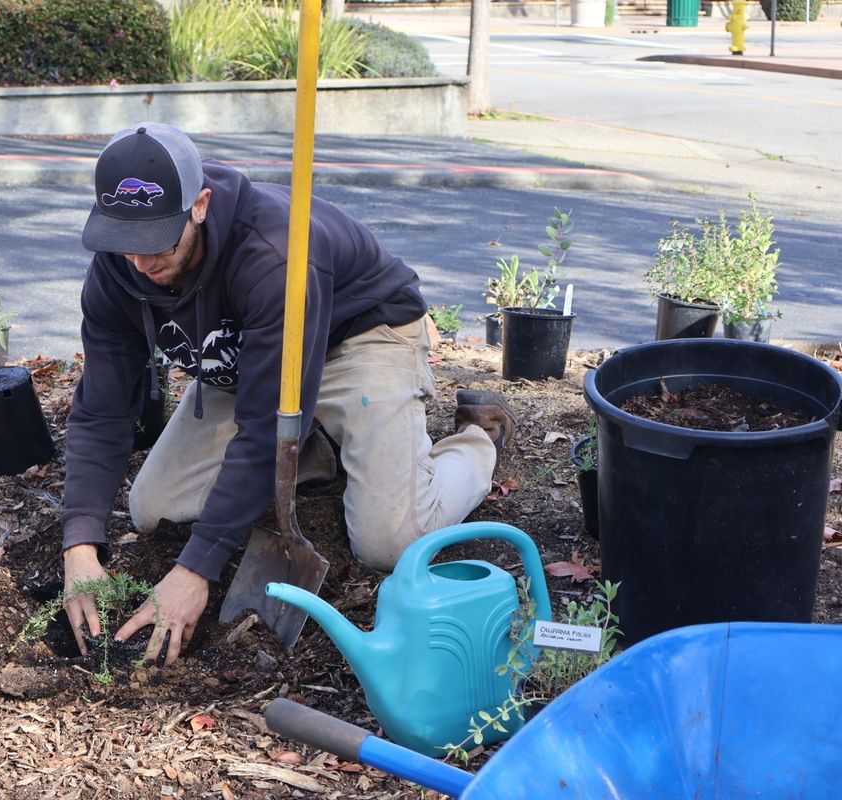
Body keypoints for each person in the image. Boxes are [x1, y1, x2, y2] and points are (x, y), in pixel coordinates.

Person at [61, 123, 516, 664]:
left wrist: (194, 572)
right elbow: (102, 410)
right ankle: (318, 445)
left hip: (359, 338)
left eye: (158, 240)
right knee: (154, 509)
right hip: (256, 362)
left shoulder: (272, 254)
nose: (141, 263)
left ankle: (475, 440)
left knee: (387, 542)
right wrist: (80, 543)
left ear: (200, 205)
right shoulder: (118, 272)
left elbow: (262, 430)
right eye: (124, 241)